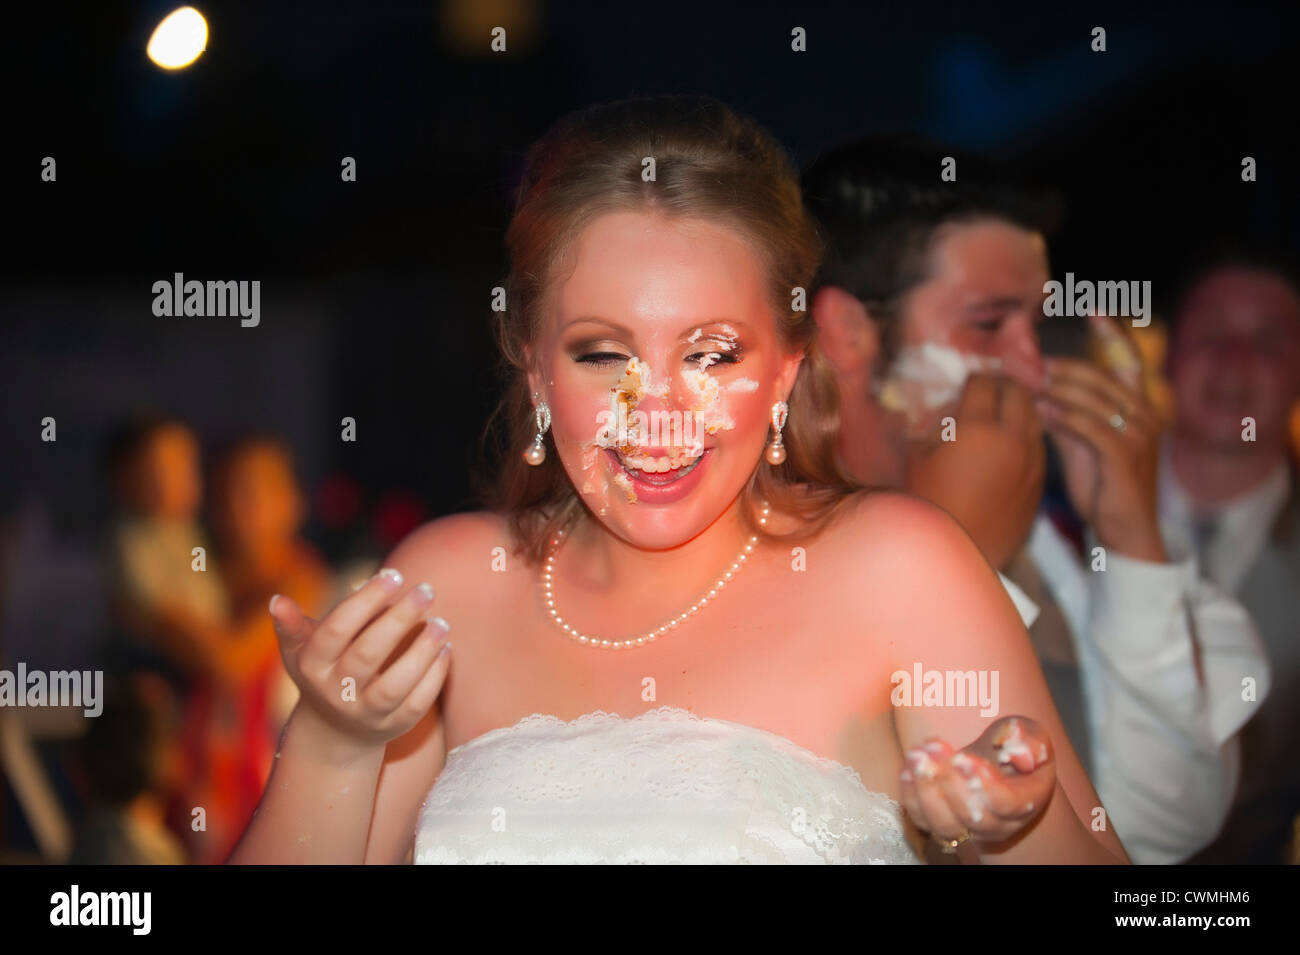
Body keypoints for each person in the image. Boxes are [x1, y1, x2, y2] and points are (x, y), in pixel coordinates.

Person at [230, 95, 1129, 865]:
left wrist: (1017, 829)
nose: (655, 410)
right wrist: (336, 743)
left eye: (711, 353)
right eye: (603, 352)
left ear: (785, 369)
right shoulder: (449, 586)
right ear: (537, 370)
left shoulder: (899, 568)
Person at [801, 137, 1269, 864]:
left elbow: (1163, 826)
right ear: (847, 331)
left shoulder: (1044, 532)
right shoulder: (771, 536)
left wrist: (1129, 533)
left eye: (1035, 322)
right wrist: (965, 556)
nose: (1031, 363)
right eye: (989, 324)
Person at [1159, 252, 1300, 863]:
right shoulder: (1048, 509)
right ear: (1167, 354)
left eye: (1267, 342)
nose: (1234, 361)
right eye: (1211, 333)